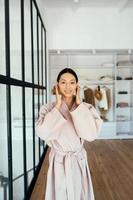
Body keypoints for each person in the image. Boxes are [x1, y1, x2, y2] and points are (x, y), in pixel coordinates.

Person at [36, 68, 103, 200]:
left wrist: (79, 105)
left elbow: (91, 135)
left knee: (80, 193)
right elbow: (43, 133)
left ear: (77, 86)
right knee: (60, 194)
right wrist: (58, 106)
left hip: (78, 160)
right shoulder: (48, 108)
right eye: (63, 82)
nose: (68, 87)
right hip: (59, 161)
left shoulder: (87, 108)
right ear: (57, 85)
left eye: (72, 82)